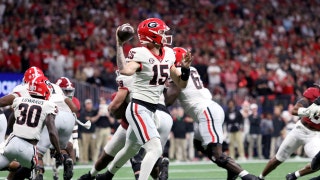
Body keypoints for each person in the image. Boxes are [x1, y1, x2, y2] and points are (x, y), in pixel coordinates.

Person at [97, 18, 192, 180]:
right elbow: (125, 70)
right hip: (139, 108)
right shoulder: (139, 53)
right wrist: (119, 45)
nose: (165, 35)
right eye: (161, 32)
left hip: (152, 110)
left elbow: (181, 84)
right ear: (152, 36)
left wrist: (186, 69)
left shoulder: (168, 53)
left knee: (130, 149)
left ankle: (106, 176)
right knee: (155, 149)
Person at [164, 47, 258, 180]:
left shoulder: (177, 72)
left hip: (206, 112)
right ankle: (231, 168)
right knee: (198, 144)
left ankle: (247, 176)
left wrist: (160, 92)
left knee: (217, 154)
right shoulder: (191, 69)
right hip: (207, 110)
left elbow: (170, 98)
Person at [0, 76, 62, 180]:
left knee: (8, 162)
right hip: (29, 148)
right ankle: (35, 170)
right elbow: (52, 132)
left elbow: (11, 121)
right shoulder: (48, 105)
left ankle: (16, 168)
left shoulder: (19, 100)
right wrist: (59, 152)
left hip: (12, 142)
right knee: (35, 169)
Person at [258, 86, 320, 180]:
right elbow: (294, 110)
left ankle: (294, 175)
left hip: (315, 135)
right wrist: (308, 111)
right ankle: (260, 177)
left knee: (318, 163)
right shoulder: (313, 92)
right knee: (278, 159)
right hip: (300, 129)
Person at [35, 76, 78, 180]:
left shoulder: (41, 90)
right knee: (62, 147)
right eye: (66, 91)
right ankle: (67, 159)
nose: (68, 93)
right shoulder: (60, 93)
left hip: (53, 117)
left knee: (38, 152)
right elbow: (75, 108)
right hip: (69, 118)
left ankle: (39, 174)